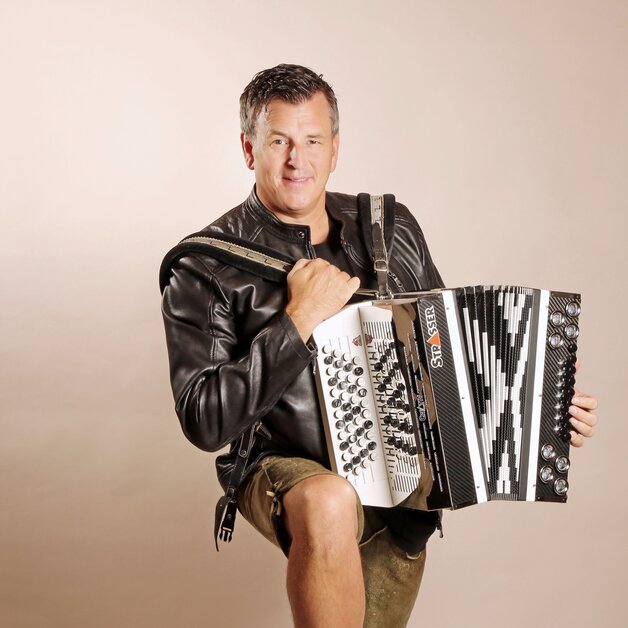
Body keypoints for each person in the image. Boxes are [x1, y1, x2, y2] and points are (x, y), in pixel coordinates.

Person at [161, 64, 599, 628]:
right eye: (279, 142)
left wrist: (540, 408)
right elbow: (204, 420)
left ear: (335, 148)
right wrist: (298, 319)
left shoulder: (390, 227)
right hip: (283, 464)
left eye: (312, 140)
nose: (297, 160)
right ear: (249, 149)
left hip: (400, 486)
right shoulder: (205, 265)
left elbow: (450, 351)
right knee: (329, 500)